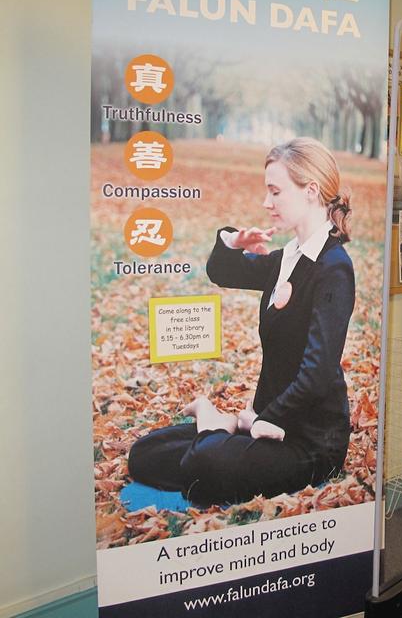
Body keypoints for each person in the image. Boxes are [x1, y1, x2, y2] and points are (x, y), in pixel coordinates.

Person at [128, 137, 355, 505]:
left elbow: (317, 372)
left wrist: (263, 419)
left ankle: (215, 425)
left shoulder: (333, 268)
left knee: (205, 462)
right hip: (261, 425)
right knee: (146, 453)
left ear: (311, 191)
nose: (267, 202)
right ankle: (221, 429)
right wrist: (233, 242)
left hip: (309, 442)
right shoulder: (287, 259)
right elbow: (222, 271)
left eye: (275, 192)